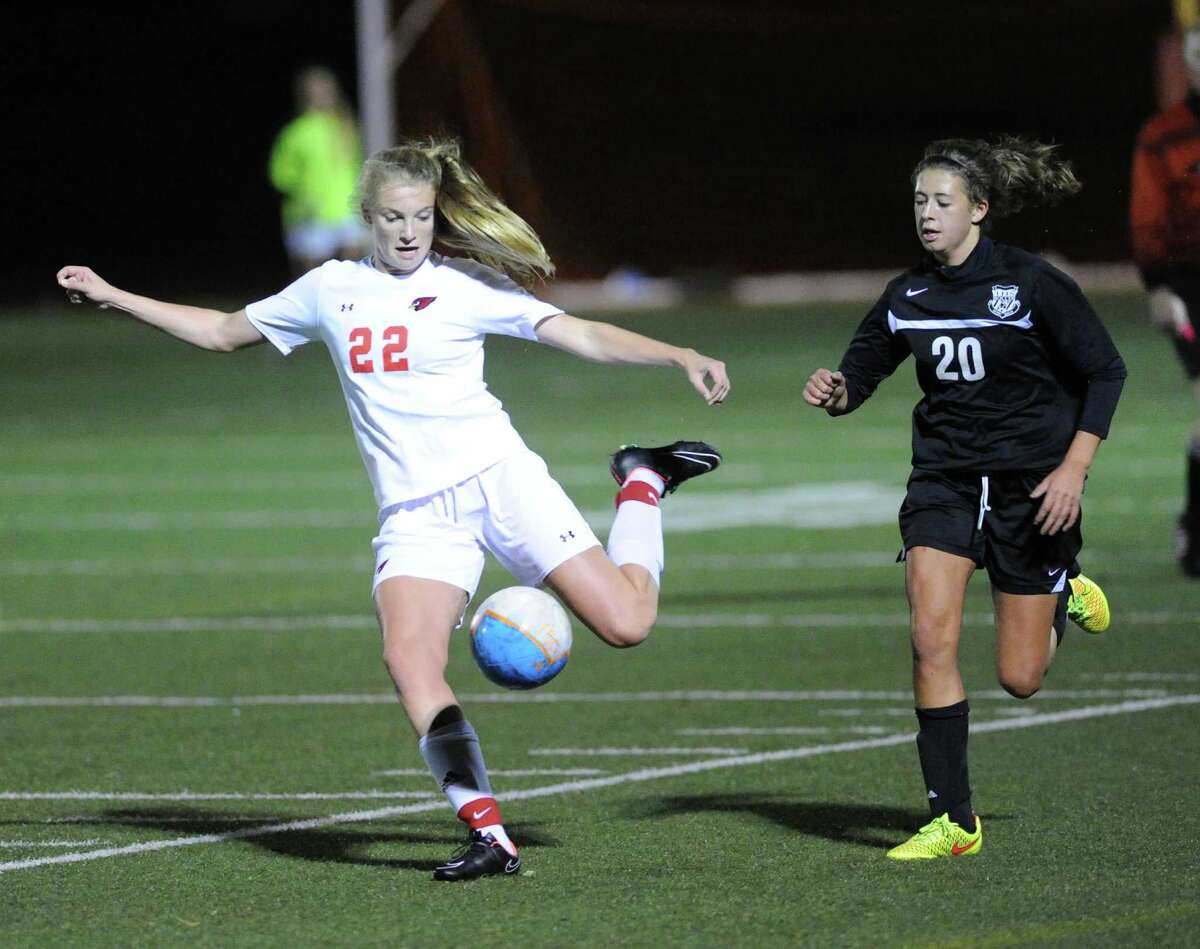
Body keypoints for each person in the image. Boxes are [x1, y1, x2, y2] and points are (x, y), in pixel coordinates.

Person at [57, 137, 729, 882]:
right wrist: (114, 294)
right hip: (418, 513)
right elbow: (220, 332)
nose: (409, 232)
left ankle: (641, 481)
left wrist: (678, 353)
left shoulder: (467, 283)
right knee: (409, 659)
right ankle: (490, 834)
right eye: (392, 217)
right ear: (367, 218)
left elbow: (583, 333)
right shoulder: (327, 289)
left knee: (627, 622)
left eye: (420, 216)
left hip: (500, 480)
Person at [803, 136, 1126, 860]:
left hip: (1031, 488)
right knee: (929, 635)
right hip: (944, 483)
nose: (927, 214)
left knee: (1020, 677)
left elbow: (1106, 370)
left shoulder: (1032, 283)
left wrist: (1074, 469)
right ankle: (955, 821)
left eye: (942, 202)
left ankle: (1062, 585)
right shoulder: (906, 295)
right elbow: (864, 368)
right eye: (919, 201)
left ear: (978, 209)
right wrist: (838, 391)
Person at [1131, 21, 1200, 577]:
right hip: (1192, 285)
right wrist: (1159, 287)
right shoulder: (1165, 134)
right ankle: (1196, 534)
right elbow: (1149, 217)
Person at [269, 66, 367, 276]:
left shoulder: (345, 127)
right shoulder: (296, 132)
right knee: (310, 276)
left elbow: (358, 165)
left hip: (347, 208)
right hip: (310, 212)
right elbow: (280, 175)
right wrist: (303, 195)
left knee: (353, 271)